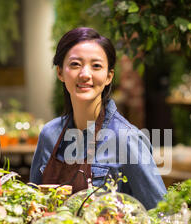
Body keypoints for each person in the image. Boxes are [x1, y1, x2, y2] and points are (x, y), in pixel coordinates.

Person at [30, 27, 166, 210]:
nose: (85, 74)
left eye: (96, 66)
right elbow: (34, 206)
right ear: (60, 72)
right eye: (75, 64)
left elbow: (161, 212)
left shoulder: (125, 139)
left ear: (109, 76)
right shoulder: (49, 135)